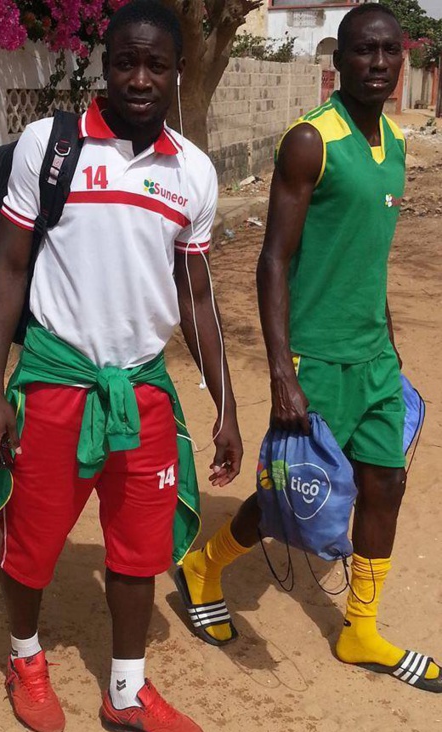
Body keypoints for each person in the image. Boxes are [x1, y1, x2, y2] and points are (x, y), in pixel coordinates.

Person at [0, 0, 243, 732]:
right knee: (32, 541)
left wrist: (225, 404)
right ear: (104, 62)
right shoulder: (49, 147)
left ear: (178, 70)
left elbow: (196, 298)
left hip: (144, 393)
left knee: (138, 548)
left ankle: (126, 690)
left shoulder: (192, 172)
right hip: (56, 382)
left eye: (157, 63)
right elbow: (8, 269)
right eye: (126, 60)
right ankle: (25, 661)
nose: (140, 77)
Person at [175, 3, 442, 692]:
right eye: (363, 52)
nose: (378, 65)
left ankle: (360, 630)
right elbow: (273, 260)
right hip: (315, 361)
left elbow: (367, 254)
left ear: (401, 60)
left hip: (373, 359)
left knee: (385, 482)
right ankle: (203, 566)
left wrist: (385, 331)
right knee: (293, 498)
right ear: (339, 61)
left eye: (389, 52)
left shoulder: (395, 146)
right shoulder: (309, 141)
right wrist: (280, 370)